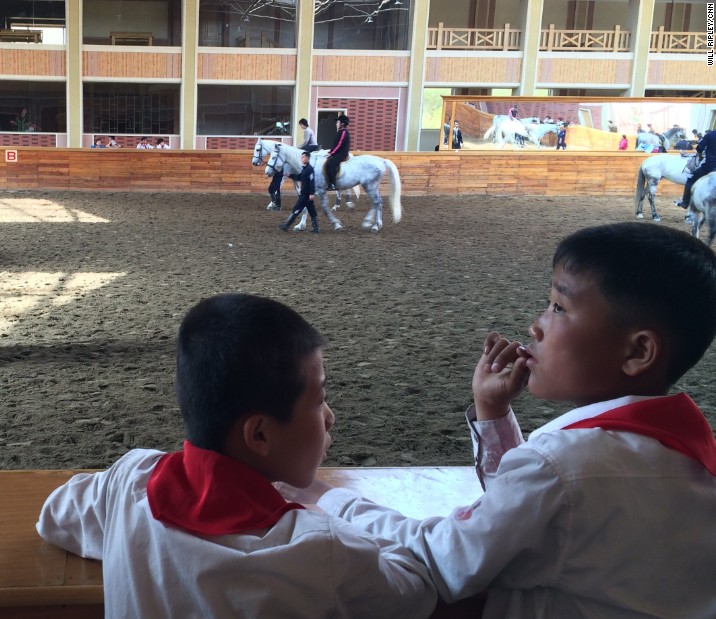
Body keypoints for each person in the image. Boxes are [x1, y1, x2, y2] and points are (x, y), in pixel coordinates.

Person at [285, 222, 716, 618]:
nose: (535, 326)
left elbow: (445, 559)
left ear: (638, 352)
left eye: (559, 307)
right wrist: (492, 412)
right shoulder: (684, 455)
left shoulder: (565, 463)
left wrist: (327, 496)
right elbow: (525, 513)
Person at [36, 293, 436, 618]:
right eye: (320, 400)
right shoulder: (322, 551)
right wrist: (332, 509)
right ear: (259, 434)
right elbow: (415, 586)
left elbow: (54, 516)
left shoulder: (129, 478)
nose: (330, 417)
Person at [279, 150, 319, 233]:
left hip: (306, 194)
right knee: (312, 210)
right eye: (301, 157)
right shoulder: (305, 169)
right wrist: (289, 175)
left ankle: (287, 225)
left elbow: (312, 182)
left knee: (297, 208)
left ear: (307, 158)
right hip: (305, 194)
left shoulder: (310, 169)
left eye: (303, 157)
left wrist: (312, 193)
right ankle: (316, 228)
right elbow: (299, 177)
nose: (301, 158)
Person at [676, 128, 716, 208]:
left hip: (710, 166)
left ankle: (685, 202)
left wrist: (700, 156)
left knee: (691, 179)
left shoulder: (710, 135)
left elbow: (699, 148)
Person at [323, 114, 351, 191]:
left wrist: (331, 153)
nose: (336, 124)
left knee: (330, 164)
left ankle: (333, 184)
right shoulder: (340, 131)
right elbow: (335, 145)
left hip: (342, 153)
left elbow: (339, 144)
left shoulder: (344, 132)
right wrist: (330, 152)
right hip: (338, 152)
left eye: (338, 122)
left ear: (342, 123)